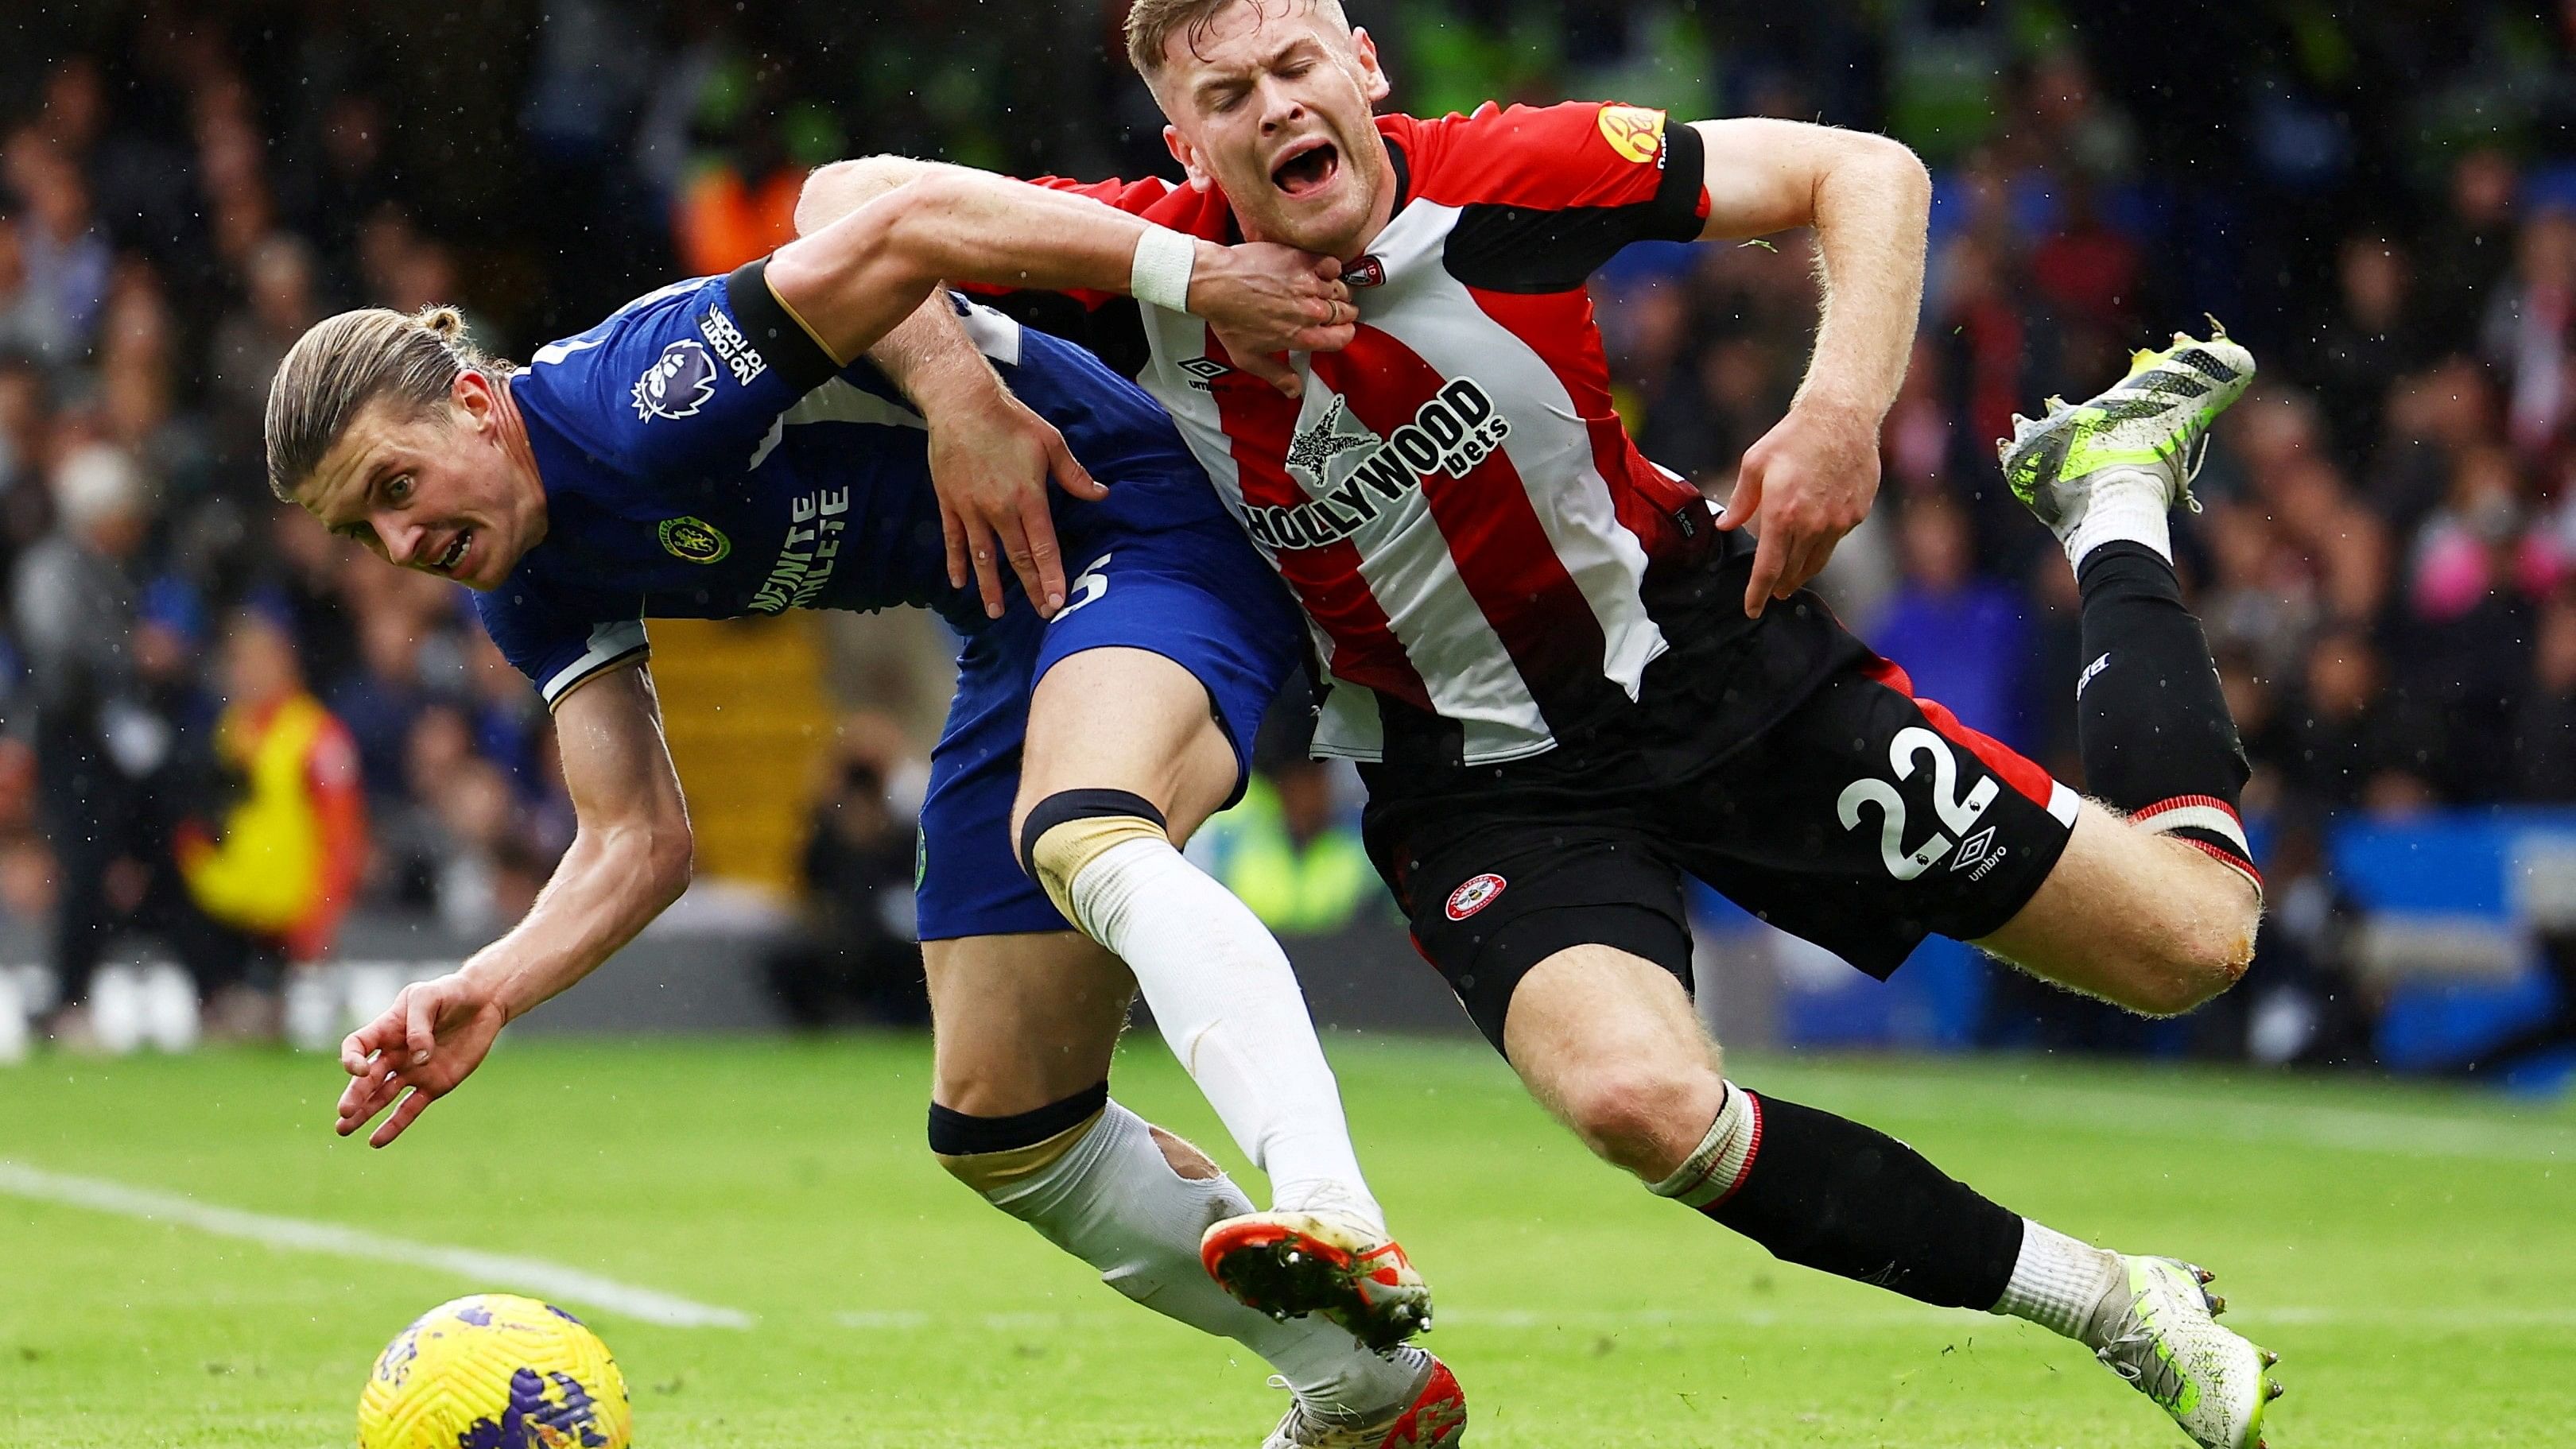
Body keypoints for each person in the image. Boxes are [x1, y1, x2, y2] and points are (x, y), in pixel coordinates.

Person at [798, 3, 2284, 1444]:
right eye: (1229, 97)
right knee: (1638, 1099)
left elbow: (1867, 171)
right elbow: (846, 201)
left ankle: (2113, 498)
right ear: (1182, 137)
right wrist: (958, 393)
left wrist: (1842, 410)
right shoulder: (1139, 265)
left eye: (1298, 65)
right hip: (1479, 786)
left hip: (1717, 672)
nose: (1277, 110)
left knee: (2192, 948)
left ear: (1364, 65)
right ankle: (2109, 1303)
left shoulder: (1510, 175)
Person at [280, 166, 1465, 1445]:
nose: (401, 550)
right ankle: (1366, 1389)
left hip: (1139, 524)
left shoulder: (638, 398)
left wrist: (966, 389)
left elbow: (880, 220)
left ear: (470, 404)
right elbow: (639, 838)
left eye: (396, 489)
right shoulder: (525, 578)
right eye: (364, 534)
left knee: (1084, 828)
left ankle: (1331, 1205)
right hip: (1016, 623)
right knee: (1006, 1123)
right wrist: (493, 984)